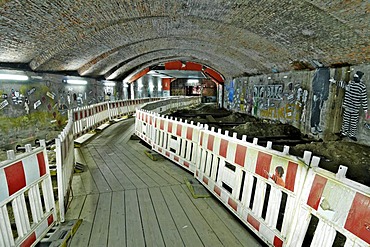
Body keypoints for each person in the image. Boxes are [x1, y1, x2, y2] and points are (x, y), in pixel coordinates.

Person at [340, 71, 369, 141]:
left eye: (356, 77)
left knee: (353, 122)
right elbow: (343, 85)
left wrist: (366, 111)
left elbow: (364, 98)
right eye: (354, 77)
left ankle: (351, 135)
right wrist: (334, 81)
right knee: (346, 121)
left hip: (355, 109)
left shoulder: (362, 87)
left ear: (359, 78)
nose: (354, 78)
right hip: (347, 107)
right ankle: (344, 133)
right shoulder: (351, 84)